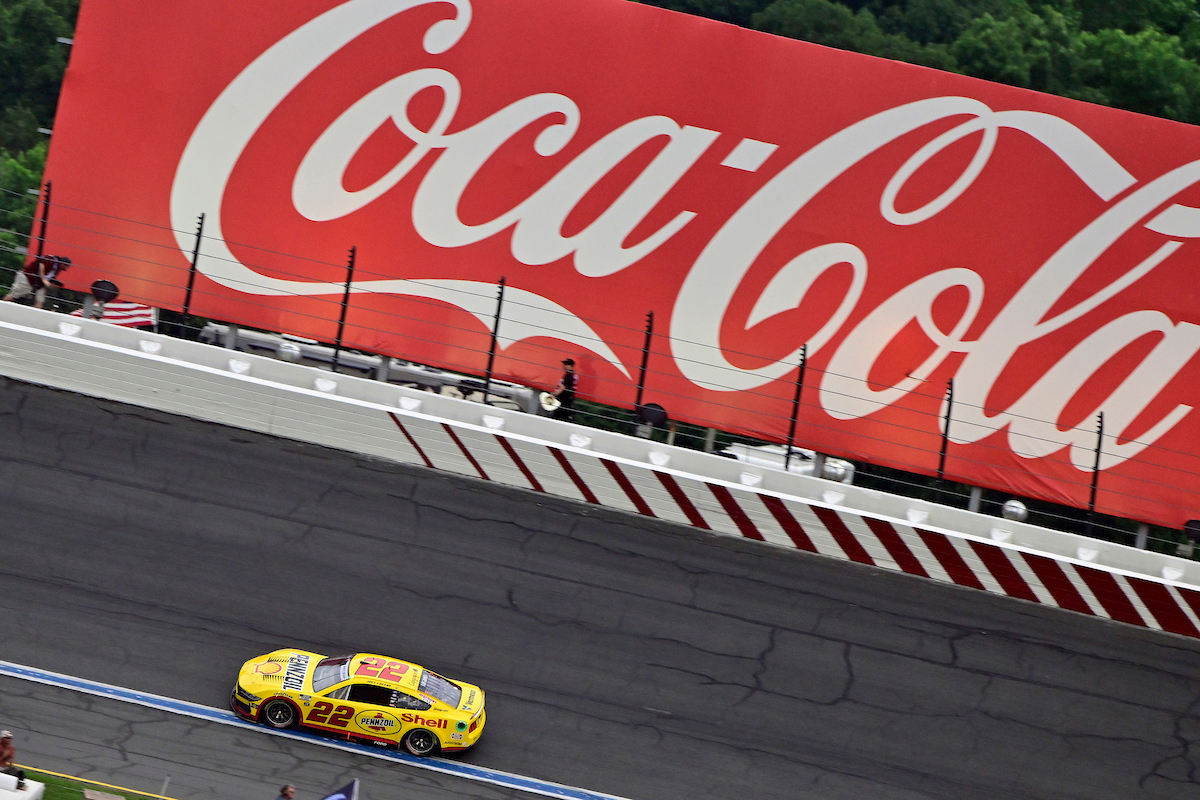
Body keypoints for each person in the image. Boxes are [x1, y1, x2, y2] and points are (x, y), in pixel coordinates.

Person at [3, 255, 70, 309]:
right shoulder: (51, 259)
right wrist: (44, 280)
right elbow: (41, 265)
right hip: (28, 278)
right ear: (63, 263)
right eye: (65, 266)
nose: (64, 269)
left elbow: (48, 276)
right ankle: (2, 306)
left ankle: (35, 315)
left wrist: (53, 283)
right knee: (14, 295)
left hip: (38, 284)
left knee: (40, 301)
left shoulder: (57, 268)